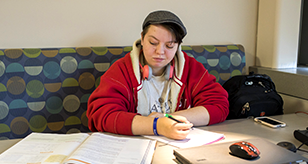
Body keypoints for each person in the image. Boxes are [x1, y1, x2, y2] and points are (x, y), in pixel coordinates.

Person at [87, 10, 229, 140]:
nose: (160, 52)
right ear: (142, 39)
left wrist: (169, 119)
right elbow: (102, 115)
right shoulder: (122, 70)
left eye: (169, 46)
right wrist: (157, 126)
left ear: (178, 46)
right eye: (153, 43)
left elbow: (219, 106)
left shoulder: (191, 68)